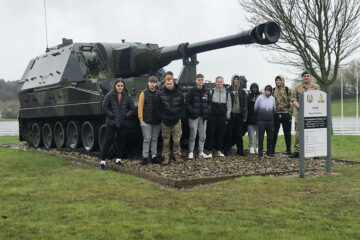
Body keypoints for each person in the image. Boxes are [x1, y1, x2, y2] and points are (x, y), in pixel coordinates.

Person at [100, 79, 135, 169]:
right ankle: (103, 162)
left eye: (121, 86)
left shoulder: (127, 96)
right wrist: (111, 115)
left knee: (121, 141)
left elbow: (132, 108)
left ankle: (118, 160)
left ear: (124, 86)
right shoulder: (110, 95)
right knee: (108, 141)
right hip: (111, 122)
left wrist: (127, 115)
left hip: (123, 122)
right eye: (118, 86)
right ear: (115, 86)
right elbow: (104, 106)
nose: (120, 87)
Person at [291, 70, 320, 158]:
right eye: (304, 76)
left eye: (308, 76)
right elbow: (293, 99)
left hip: (312, 113)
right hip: (300, 113)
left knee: (313, 132)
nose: (306, 77)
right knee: (299, 132)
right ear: (302, 78)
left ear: (310, 77)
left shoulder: (316, 87)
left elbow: (318, 98)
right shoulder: (297, 88)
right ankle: (297, 151)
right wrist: (300, 107)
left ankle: (314, 151)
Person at [159, 72, 186, 165]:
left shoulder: (179, 93)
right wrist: (162, 116)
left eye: (171, 83)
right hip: (165, 120)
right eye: (167, 84)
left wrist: (180, 116)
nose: (169, 85)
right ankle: (165, 157)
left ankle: (177, 156)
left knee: (177, 140)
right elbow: (158, 107)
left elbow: (183, 106)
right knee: (166, 140)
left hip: (176, 119)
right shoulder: (161, 93)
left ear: (173, 82)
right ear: (165, 83)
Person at [186, 73, 211, 159]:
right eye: (199, 80)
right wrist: (192, 111)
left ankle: (201, 152)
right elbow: (188, 103)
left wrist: (207, 110)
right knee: (193, 134)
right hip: (194, 117)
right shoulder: (191, 91)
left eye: (202, 80)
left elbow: (209, 103)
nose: (200, 81)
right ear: (196, 80)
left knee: (202, 135)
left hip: (203, 117)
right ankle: (191, 151)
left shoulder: (206, 91)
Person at [138, 76, 161, 165]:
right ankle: (145, 157)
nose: (152, 84)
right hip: (146, 120)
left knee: (154, 139)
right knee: (147, 139)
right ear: (148, 83)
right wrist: (141, 120)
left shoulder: (159, 94)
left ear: (156, 83)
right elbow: (140, 107)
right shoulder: (143, 93)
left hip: (156, 121)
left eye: (154, 82)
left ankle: (154, 156)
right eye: (151, 82)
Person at [207, 76, 232, 157]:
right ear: (216, 83)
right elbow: (208, 104)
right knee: (211, 134)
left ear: (223, 83)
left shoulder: (227, 93)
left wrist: (227, 116)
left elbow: (229, 106)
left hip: (222, 117)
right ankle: (209, 151)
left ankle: (219, 150)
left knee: (221, 135)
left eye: (221, 82)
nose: (220, 83)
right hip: (213, 117)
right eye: (218, 82)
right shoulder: (212, 92)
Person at [224, 74, 248, 156]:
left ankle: (240, 150)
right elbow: (224, 98)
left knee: (239, 134)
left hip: (239, 115)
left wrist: (245, 116)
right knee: (229, 133)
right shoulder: (228, 89)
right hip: (231, 115)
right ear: (232, 80)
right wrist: (231, 93)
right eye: (235, 79)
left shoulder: (242, 91)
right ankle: (226, 149)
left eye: (238, 79)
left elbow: (245, 105)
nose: (236, 80)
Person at [272, 75, 294, 155]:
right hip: (276, 114)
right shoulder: (273, 90)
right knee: (274, 133)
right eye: (277, 80)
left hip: (286, 114)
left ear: (282, 81)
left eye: (279, 80)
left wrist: (290, 114)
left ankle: (288, 150)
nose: (278, 81)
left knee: (287, 133)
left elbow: (292, 101)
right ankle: (272, 150)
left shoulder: (288, 90)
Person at [254, 85, 276, 158]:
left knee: (270, 137)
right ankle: (260, 153)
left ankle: (268, 152)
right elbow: (255, 109)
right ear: (264, 90)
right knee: (261, 137)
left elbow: (274, 109)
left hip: (270, 121)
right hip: (261, 121)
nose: (268, 92)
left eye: (269, 90)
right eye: (267, 90)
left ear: (271, 91)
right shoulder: (259, 98)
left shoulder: (273, 99)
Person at [247, 82, 261, 154]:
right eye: (253, 88)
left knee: (259, 135)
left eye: (255, 88)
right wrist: (251, 100)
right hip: (250, 118)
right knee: (251, 135)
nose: (254, 89)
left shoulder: (261, 96)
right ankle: (251, 147)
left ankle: (258, 147)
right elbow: (246, 106)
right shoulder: (248, 96)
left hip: (258, 118)